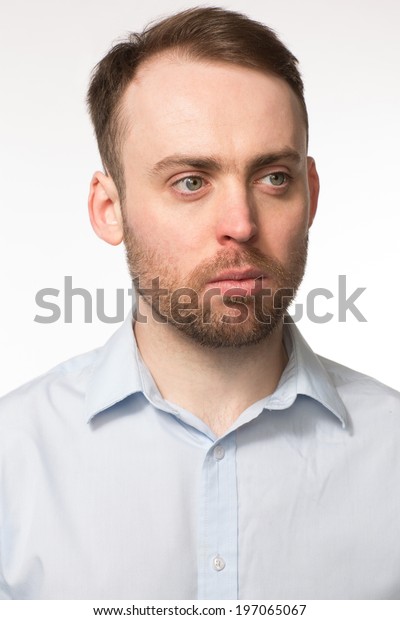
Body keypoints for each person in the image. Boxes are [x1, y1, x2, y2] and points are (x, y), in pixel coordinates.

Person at [0, 6, 399, 601]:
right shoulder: (15, 460)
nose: (240, 224)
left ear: (310, 195)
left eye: (273, 178)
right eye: (190, 181)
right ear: (110, 209)